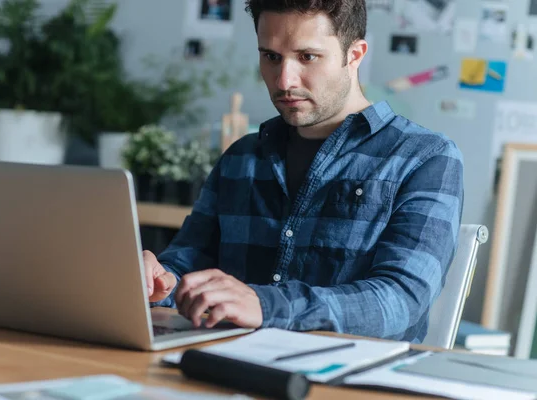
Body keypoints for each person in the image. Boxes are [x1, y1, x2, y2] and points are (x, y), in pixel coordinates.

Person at [145, 0, 463, 343]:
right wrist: (155, 280)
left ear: (354, 55)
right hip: (227, 362)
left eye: (307, 57)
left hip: (350, 381)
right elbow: (186, 265)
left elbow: (401, 300)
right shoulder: (242, 157)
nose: (284, 80)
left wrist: (267, 306)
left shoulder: (426, 157)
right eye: (271, 57)